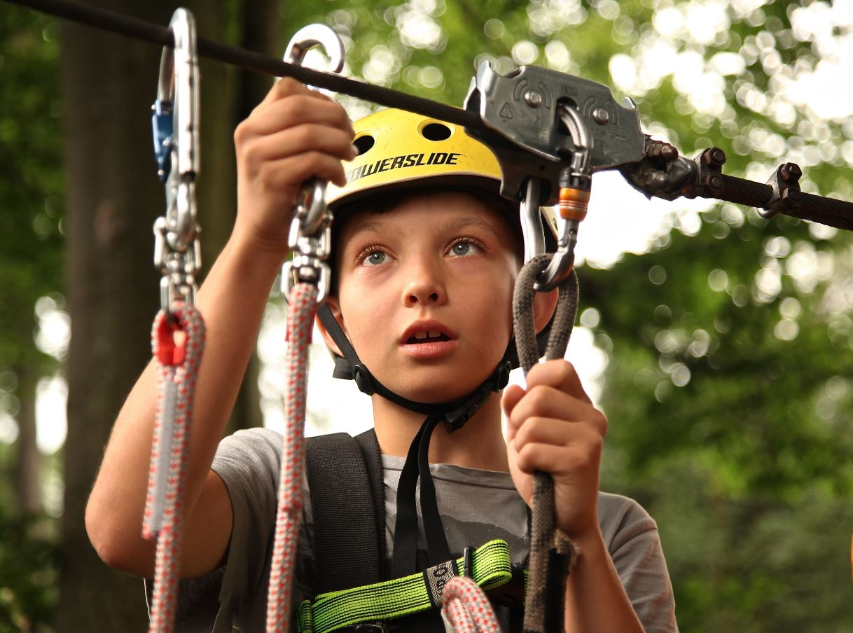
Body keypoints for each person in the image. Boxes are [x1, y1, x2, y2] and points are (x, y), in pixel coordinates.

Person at [85, 78, 678, 633]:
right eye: (375, 256)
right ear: (332, 322)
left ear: (535, 299)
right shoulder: (281, 487)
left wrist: (574, 540)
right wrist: (257, 238)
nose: (421, 283)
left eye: (463, 246)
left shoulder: (613, 532)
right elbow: (131, 530)